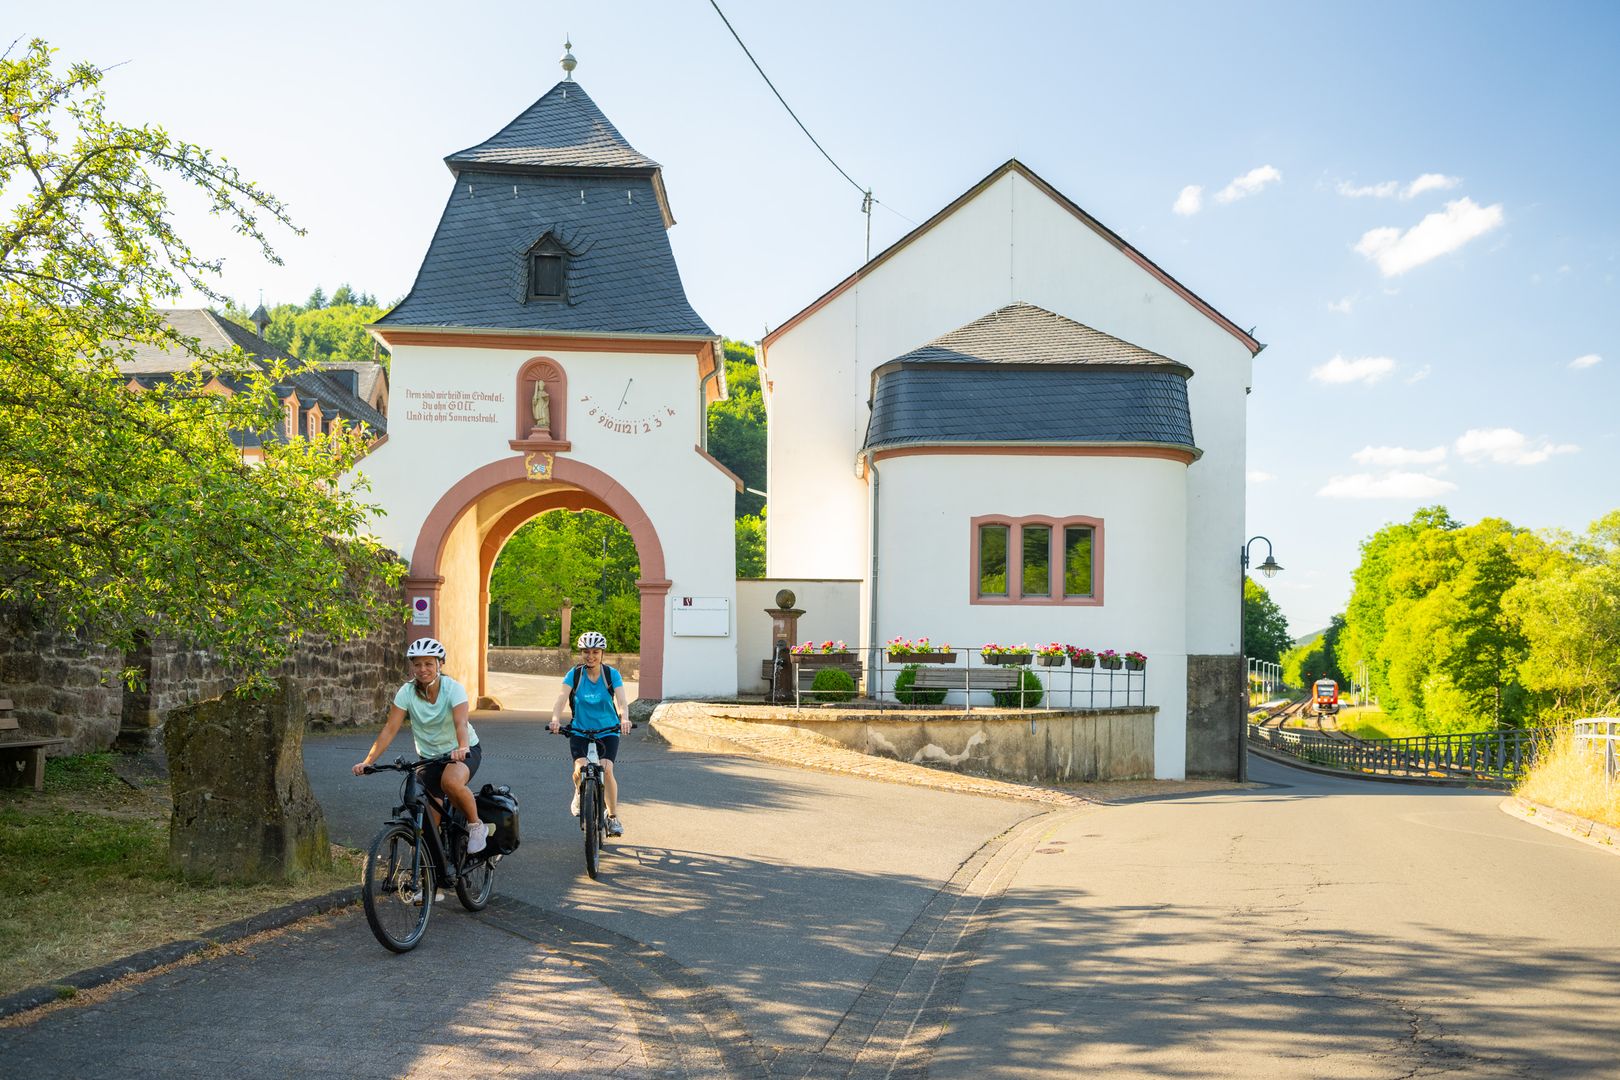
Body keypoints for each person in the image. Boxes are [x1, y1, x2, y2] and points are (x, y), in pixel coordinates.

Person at [353, 637, 491, 855]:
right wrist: (368, 761)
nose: (422, 669)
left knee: (450, 782)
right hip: (429, 757)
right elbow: (390, 728)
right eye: (417, 664)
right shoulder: (406, 692)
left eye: (428, 663)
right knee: (427, 826)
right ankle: (429, 873)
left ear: (440, 664)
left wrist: (463, 747)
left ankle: (476, 825)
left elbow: (461, 723)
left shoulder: (453, 689)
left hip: (463, 751)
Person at [548, 630, 630, 836]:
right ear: (581, 653)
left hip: (608, 730)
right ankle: (579, 792)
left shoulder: (611, 674)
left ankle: (612, 817)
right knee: (580, 768)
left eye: (595, 652)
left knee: (607, 769)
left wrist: (624, 719)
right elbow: (561, 698)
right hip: (580, 729)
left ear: (602, 653)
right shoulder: (574, 675)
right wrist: (555, 719)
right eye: (586, 651)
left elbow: (622, 701)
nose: (590, 656)